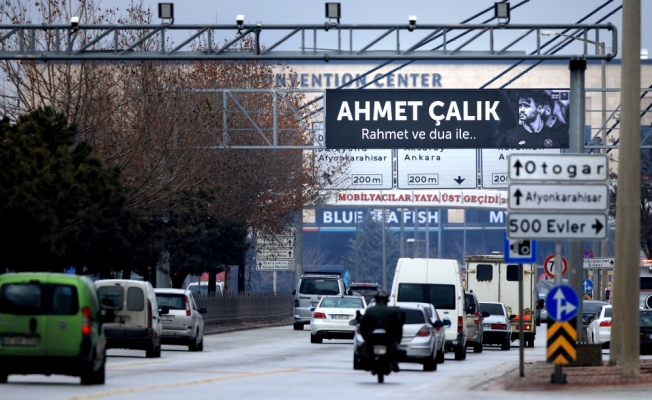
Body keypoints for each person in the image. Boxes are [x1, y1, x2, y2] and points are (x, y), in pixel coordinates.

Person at [500, 90, 569, 148]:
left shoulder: (556, 136)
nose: (522, 109)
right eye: (520, 105)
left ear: (539, 109)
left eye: (526, 106)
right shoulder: (510, 137)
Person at [357, 291, 404, 371]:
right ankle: (394, 361)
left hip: (373, 336)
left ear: (376, 300)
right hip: (387, 337)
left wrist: (358, 317)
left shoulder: (370, 310)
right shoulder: (391, 311)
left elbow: (363, 321)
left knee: (363, 347)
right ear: (386, 300)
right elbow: (398, 323)